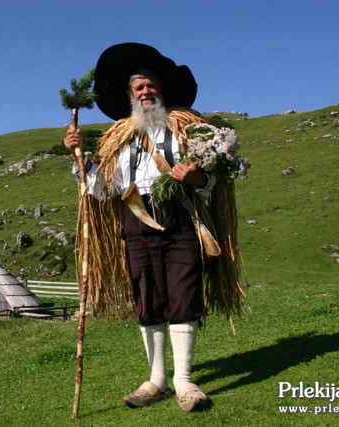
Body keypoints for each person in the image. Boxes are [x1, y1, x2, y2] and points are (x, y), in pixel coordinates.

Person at [64, 43, 242, 412]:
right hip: (136, 218)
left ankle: (184, 381)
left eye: (150, 86)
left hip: (180, 217)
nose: (146, 92)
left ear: (162, 90)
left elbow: (213, 180)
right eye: (138, 88)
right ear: (129, 96)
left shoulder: (188, 128)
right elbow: (101, 189)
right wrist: (78, 158)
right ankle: (156, 379)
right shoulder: (118, 138)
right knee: (147, 296)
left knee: (183, 291)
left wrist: (195, 177)